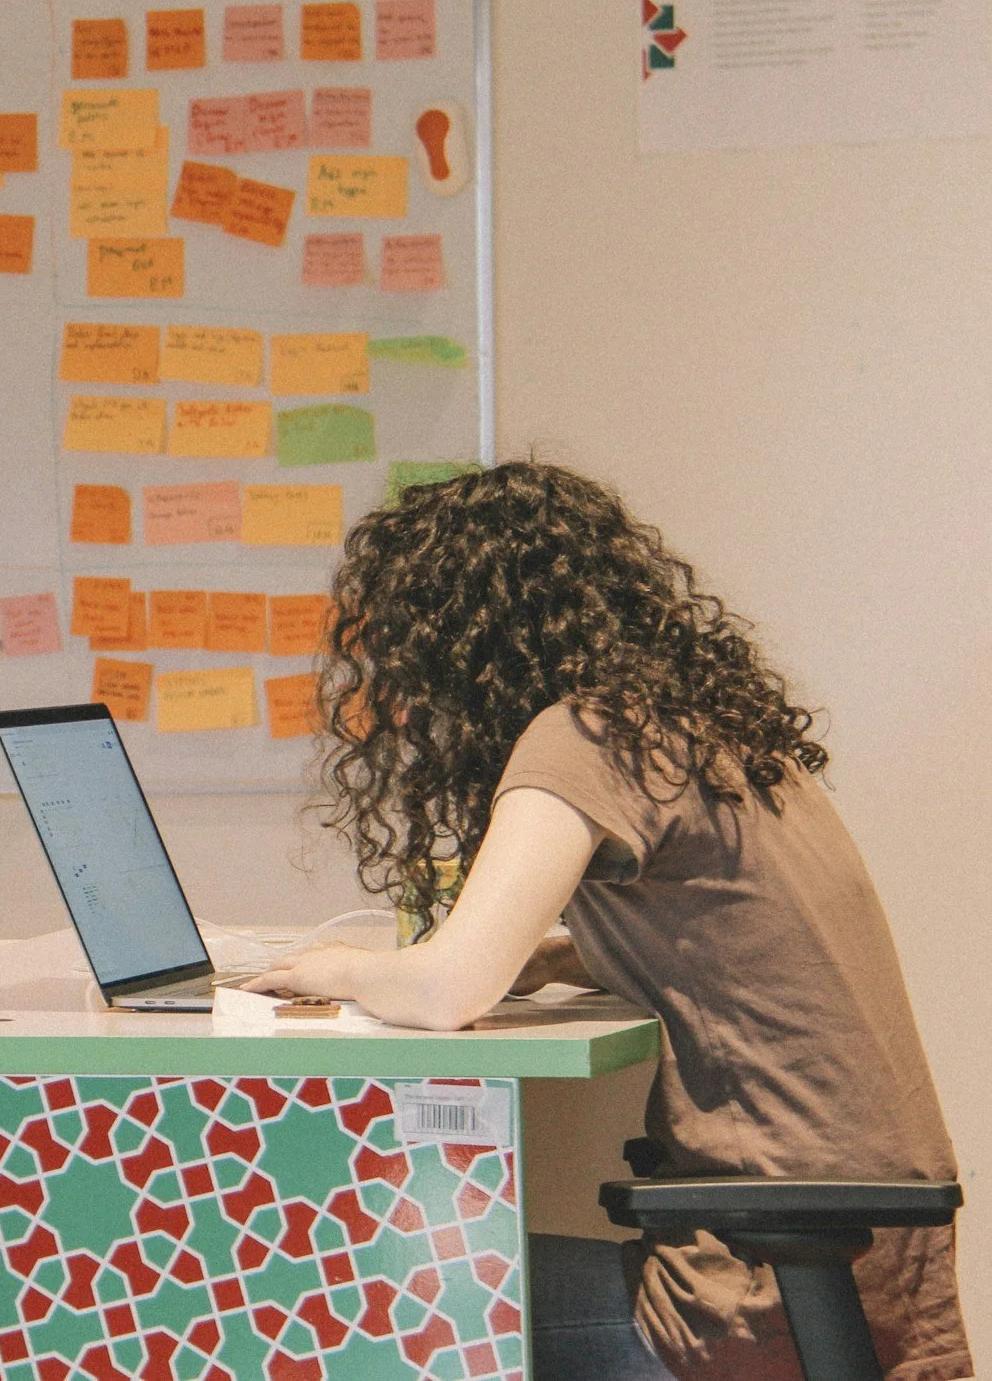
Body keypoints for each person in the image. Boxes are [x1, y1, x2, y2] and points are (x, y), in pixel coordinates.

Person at [248, 462, 968, 1381]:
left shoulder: (585, 735)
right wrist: (557, 958)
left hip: (753, 1293)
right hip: (863, 1269)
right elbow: (724, 940)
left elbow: (445, 988)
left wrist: (334, 968)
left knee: (353, 1287)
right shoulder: (708, 727)